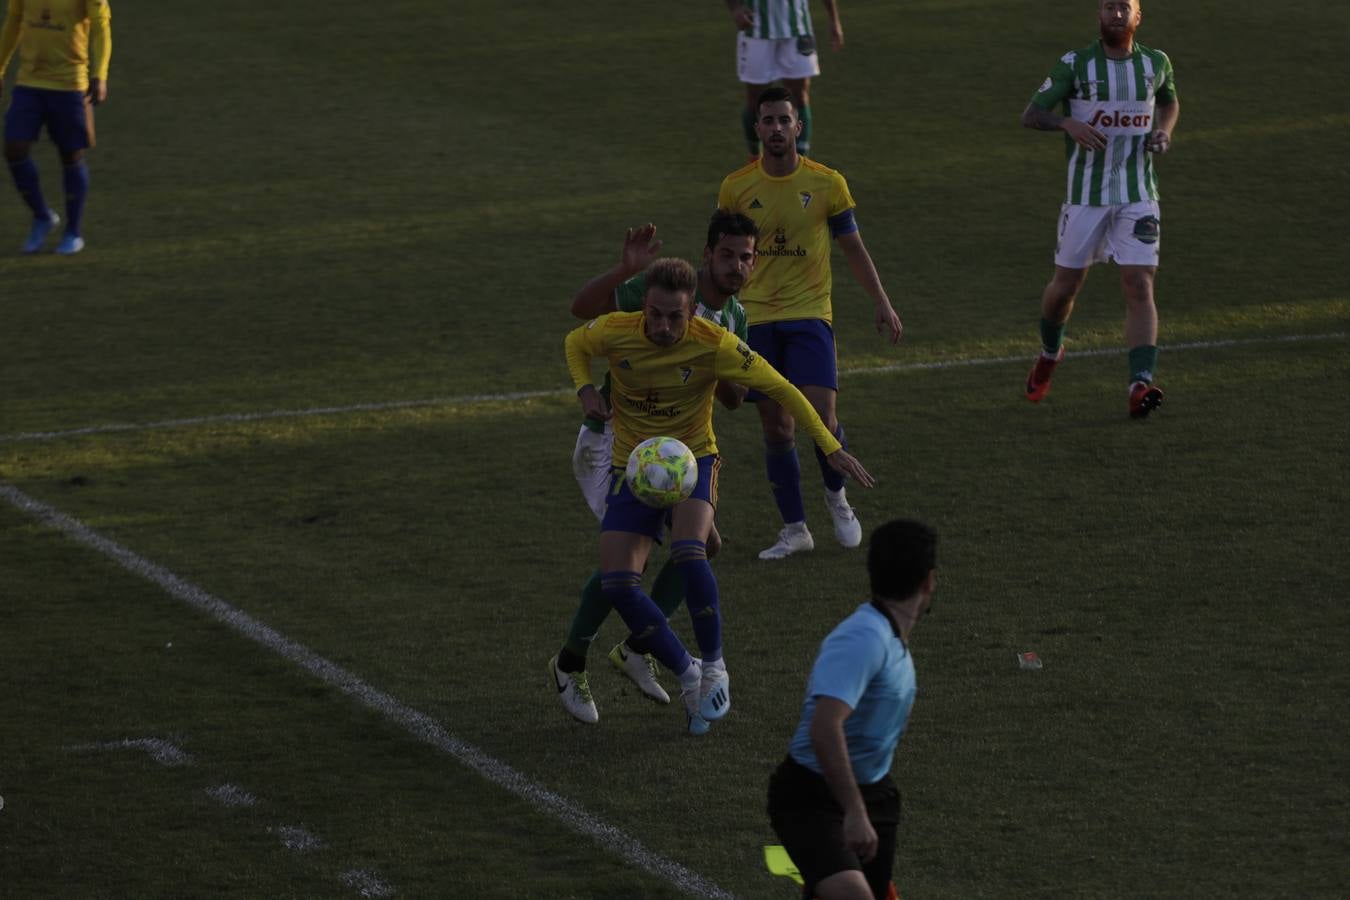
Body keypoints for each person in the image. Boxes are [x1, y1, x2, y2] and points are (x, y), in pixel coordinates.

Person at [563, 256, 875, 734]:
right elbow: (574, 342)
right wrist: (586, 390)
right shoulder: (616, 330)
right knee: (619, 583)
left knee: (692, 551)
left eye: (675, 316)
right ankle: (688, 675)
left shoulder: (716, 342)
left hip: (693, 461)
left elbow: (784, 390)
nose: (664, 326)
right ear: (643, 307)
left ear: (692, 314)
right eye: (655, 314)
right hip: (634, 466)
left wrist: (830, 447)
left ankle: (714, 669)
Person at [551, 211, 759, 725]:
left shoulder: (732, 318)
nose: (736, 266)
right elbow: (580, 312)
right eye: (727, 255)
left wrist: (728, 370)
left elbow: (735, 399)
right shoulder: (663, 291)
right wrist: (624, 271)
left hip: (670, 453)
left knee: (703, 546)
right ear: (708, 254)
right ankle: (570, 662)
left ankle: (639, 649)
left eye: (746, 258)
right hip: (612, 444)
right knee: (628, 563)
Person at [718, 85, 901, 561]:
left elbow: (854, 248)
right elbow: (723, 257)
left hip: (809, 314)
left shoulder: (827, 183)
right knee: (777, 429)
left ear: (799, 126)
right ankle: (795, 529)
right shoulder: (736, 187)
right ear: (756, 129)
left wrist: (881, 299)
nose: (776, 129)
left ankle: (836, 497)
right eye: (768, 121)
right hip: (754, 319)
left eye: (785, 120)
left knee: (822, 416)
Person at [1020, 0, 1179, 419]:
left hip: (1138, 195)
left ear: (1137, 16)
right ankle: (1050, 353)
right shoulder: (1076, 64)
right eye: (1109, 7)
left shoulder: (1157, 63)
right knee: (1064, 290)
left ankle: (1139, 384)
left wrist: (1163, 133)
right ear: (1099, 15)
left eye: (1124, 7)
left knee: (1139, 284)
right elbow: (1031, 114)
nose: (1116, 14)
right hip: (1085, 198)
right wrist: (1065, 123)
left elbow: (1168, 101)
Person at [767, 519, 937, 900]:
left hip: (876, 794)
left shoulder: (888, 635)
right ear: (929, 581)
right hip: (811, 796)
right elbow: (825, 727)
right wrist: (854, 812)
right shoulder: (864, 638)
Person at [0, 0, 112, 255]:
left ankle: (73, 231)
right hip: (29, 82)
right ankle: (42, 216)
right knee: (14, 148)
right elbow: (14, 21)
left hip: (70, 84)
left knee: (70, 154)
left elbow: (100, 26)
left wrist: (100, 74)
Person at [726, 0, 843, 159]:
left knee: (800, 96)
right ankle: (754, 157)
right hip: (756, 30)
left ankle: (800, 161)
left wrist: (834, 20)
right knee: (755, 100)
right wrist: (736, 8)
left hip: (798, 29)